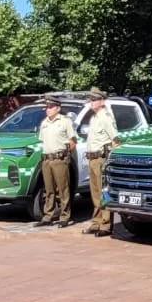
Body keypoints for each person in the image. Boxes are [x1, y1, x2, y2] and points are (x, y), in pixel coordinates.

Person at [82, 87, 118, 237]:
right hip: (92, 159)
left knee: (103, 193)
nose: (91, 102)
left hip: (101, 159)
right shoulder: (94, 118)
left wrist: (110, 160)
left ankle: (105, 225)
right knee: (95, 193)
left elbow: (115, 140)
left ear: (102, 101)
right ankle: (96, 222)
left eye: (94, 99)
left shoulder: (105, 117)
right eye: (91, 99)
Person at [35, 96, 76, 227]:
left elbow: (73, 141)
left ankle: (65, 216)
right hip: (47, 159)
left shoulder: (65, 121)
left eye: (51, 107)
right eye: (47, 107)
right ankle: (48, 216)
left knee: (63, 189)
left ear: (58, 108)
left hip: (60, 159)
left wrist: (66, 155)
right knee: (48, 189)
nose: (48, 109)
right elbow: (42, 140)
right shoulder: (44, 123)